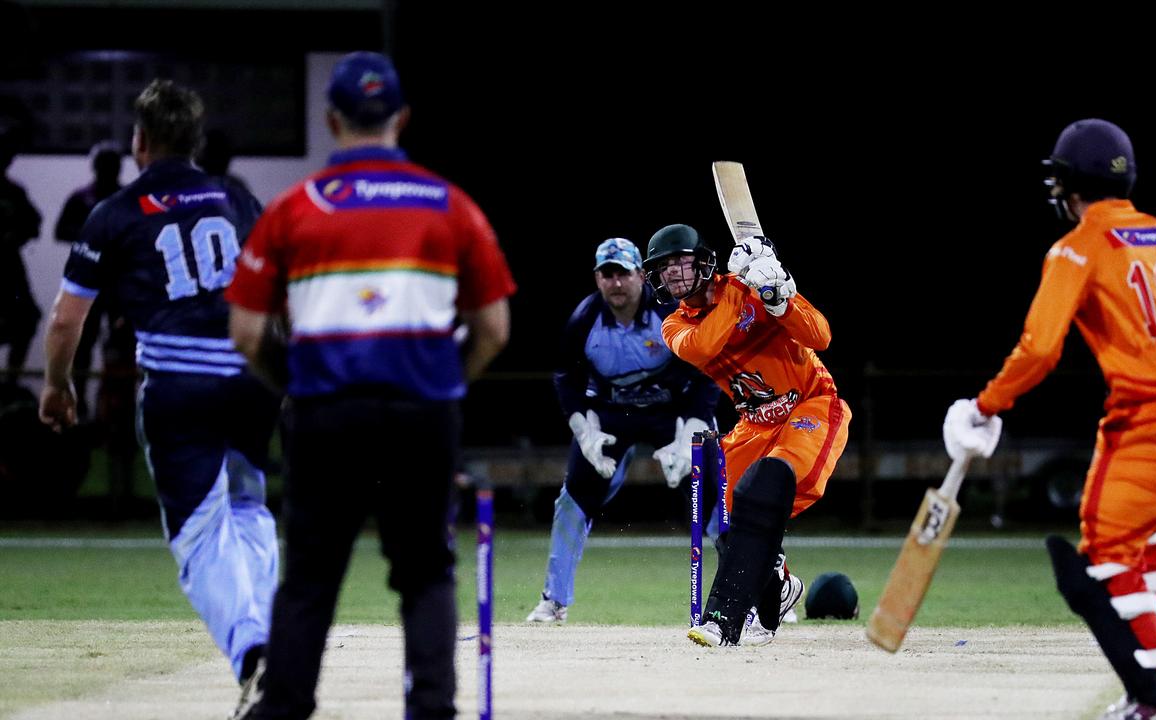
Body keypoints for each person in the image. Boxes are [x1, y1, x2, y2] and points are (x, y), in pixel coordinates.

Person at [225, 51, 515, 720]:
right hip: (423, 414)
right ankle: (433, 709)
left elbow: (245, 331)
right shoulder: (453, 207)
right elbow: (494, 328)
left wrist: (292, 382)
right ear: (402, 119)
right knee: (424, 571)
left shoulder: (294, 209)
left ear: (332, 121)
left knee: (309, 579)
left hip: (324, 415)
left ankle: (285, 708)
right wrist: (444, 383)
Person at [943, 119, 1156, 720]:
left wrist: (985, 405)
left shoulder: (1077, 245)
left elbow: (1039, 350)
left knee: (1105, 549)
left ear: (1069, 182)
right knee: (1146, 538)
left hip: (1155, 414)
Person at [38, 79, 280, 695]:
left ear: (139, 142)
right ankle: (274, 640)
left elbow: (67, 318)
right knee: (249, 506)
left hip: (181, 389)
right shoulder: (236, 198)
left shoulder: (115, 212)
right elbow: (279, 291)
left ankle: (253, 649)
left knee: (198, 532)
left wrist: (57, 386)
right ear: (195, 143)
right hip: (251, 380)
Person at [643, 224, 850, 647]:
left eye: (681, 261)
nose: (674, 273)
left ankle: (734, 613)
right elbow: (704, 345)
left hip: (809, 403)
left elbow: (821, 335)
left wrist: (779, 297)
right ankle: (780, 587)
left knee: (774, 484)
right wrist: (741, 286)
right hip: (753, 424)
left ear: (702, 261)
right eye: (664, 267)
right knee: (733, 527)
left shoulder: (755, 283)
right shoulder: (675, 327)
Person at [525, 237, 720, 623]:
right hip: (614, 416)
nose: (616, 283)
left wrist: (691, 433)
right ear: (598, 279)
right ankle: (554, 600)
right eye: (607, 274)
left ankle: (759, 590)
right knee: (573, 496)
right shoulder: (585, 320)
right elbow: (566, 378)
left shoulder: (669, 311)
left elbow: (708, 368)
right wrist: (584, 430)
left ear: (641, 276)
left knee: (717, 493)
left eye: (623, 274)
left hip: (675, 412)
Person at [53, 140, 138, 512]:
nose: (107, 168)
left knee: (122, 347)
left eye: (112, 162)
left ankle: (120, 412)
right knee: (82, 343)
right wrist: (90, 235)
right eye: (101, 162)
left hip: (117, 285)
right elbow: (59, 229)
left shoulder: (126, 197)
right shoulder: (82, 198)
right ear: (94, 165)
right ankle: (82, 406)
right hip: (90, 281)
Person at [0, 128, 41, 385]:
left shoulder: (14, 191)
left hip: (8, 269)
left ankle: (10, 384)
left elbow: (33, 225)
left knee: (26, 321)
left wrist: (13, 237)